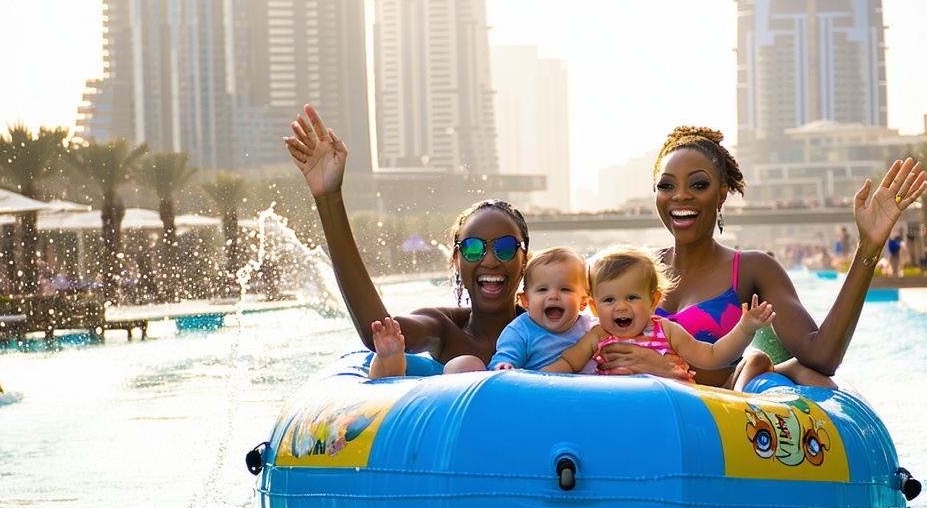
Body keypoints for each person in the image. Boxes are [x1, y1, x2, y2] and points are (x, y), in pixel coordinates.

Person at [594, 125, 926, 390]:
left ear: (721, 193)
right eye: (666, 186)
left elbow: (821, 357)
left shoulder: (753, 270)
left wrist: (868, 246)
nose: (680, 195)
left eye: (698, 184)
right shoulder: (636, 270)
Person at [285, 105, 529, 373]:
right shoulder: (445, 328)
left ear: (525, 261)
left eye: (505, 248)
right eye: (473, 248)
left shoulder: (550, 327)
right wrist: (329, 198)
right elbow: (380, 332)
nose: (490, 260)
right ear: (456, 261)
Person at [543, 245, 774, 389]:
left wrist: (744, 329)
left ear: (653, 301)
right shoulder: (597, 336)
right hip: (617, 408)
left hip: (670, 407)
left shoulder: (666, 330)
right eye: (609, 300)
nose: (621, 307)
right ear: (594, 308)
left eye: (632, 297)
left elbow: (712, 356)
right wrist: (531, 380)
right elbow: (568, 363)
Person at [372, 246, 595, 378]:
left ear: (584, 302)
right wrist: (504, 366)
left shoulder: (590, 327)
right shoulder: (521, 330)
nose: (553, 296)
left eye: (565, 290)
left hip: (584, 392)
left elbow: (608, 344)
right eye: (543, 290)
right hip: (538, 393)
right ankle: (389, 362)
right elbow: (507, 355)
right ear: (525, 300)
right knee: (464, 364)